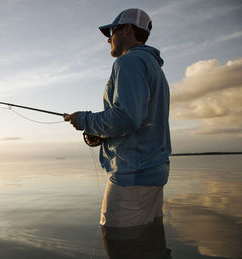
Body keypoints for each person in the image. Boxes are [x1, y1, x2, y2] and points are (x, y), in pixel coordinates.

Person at [64, 8, 171, 228]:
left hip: (132, 177)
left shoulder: (128, 62)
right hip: (153, 173)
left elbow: (127, 118)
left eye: (111, 31)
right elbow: (139, 119)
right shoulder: (153, 67)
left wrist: (85, 121)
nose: (108, 39)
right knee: (149, 251)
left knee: (120, 247)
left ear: (128, 29)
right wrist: (101, 132)